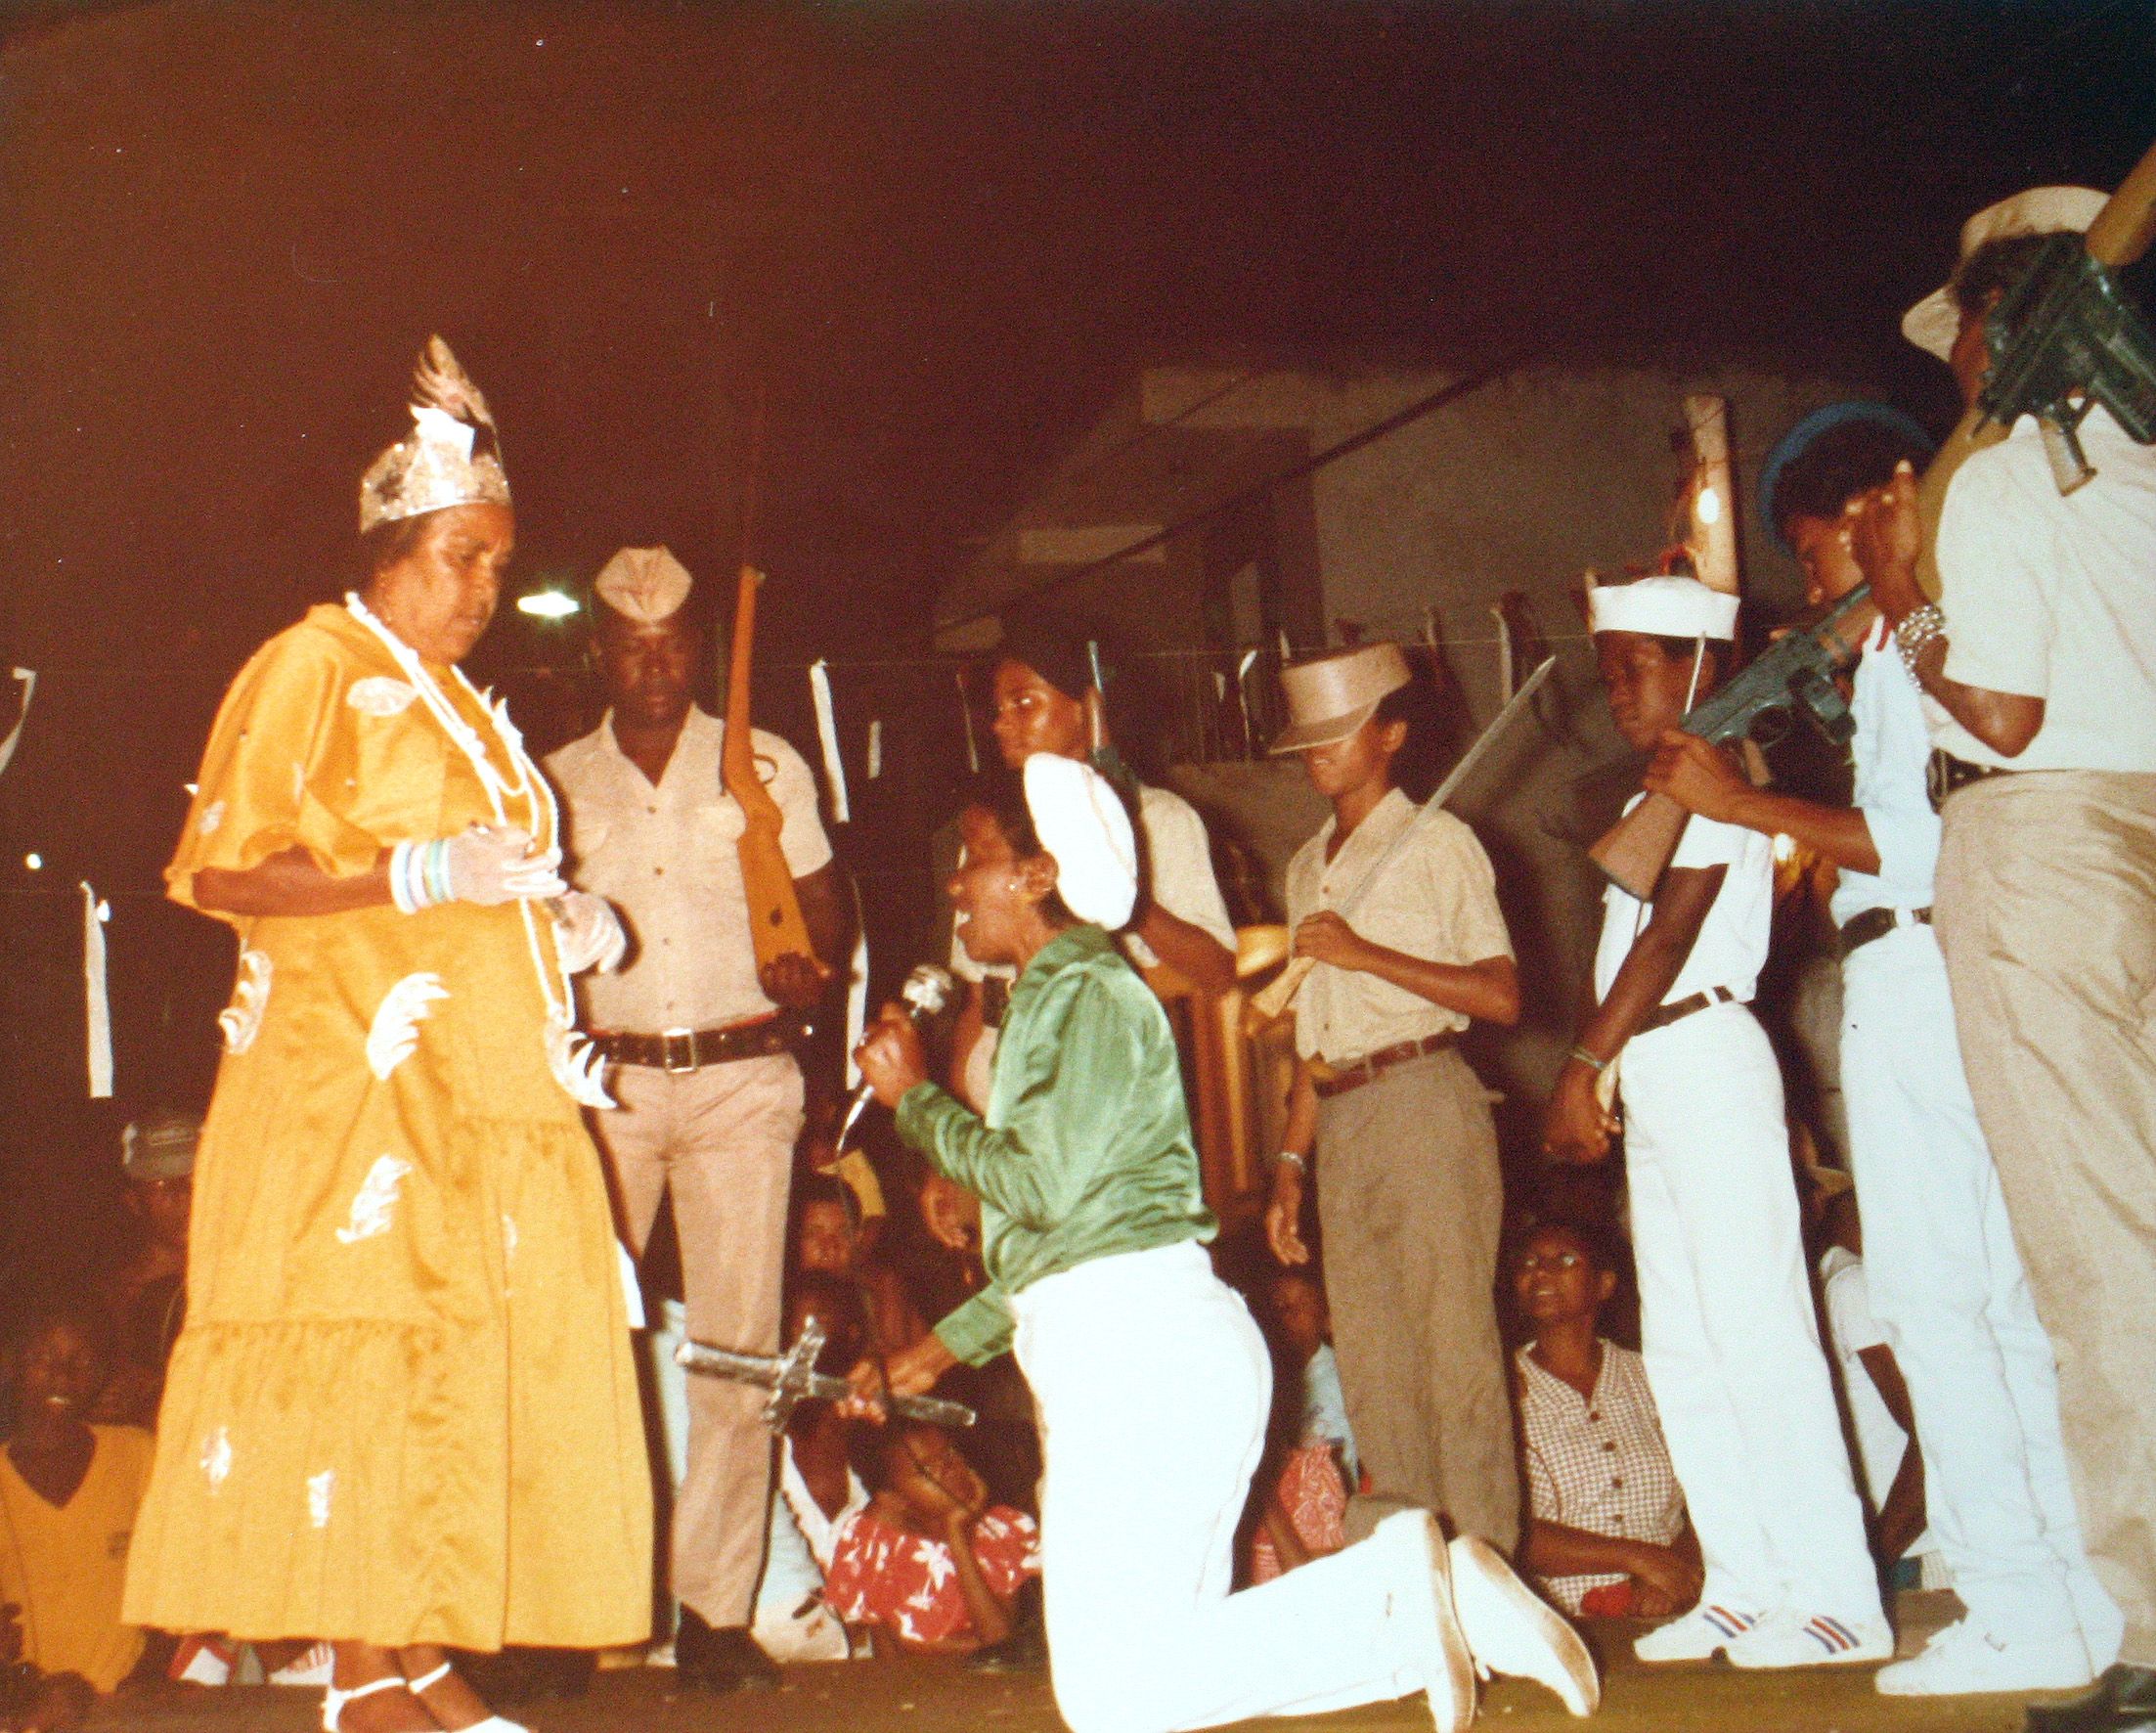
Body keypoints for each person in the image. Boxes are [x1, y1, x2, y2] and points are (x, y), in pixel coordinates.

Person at [121, 338, 653, 1733]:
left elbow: (499, 876)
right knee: (369, 1341)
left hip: (487, 1092)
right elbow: (224, 867)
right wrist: (411, 878)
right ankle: (356, 1675)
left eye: (496, 564)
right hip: (352, 1089)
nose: (483, 591)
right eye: (460, 559)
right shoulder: (311, 665)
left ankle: (413, 1647)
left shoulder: (465, 707)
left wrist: (569, 921)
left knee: (460, 1346)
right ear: (391, 548)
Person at [850, 758, 1596, 1733]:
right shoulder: (1063, 994)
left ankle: (1408, 1594)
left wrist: (918, 1105)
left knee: (1115, 1696)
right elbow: (1073, 1234)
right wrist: (937, 1346)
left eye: (974, 858)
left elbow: (1040, 1191)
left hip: (1136, 1360)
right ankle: (1433, 1599)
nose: (954, 883)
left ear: (1038, 876)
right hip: (1143, 1343)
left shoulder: (1078, 994)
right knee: (1144, 1684)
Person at [1650, 399, 2117, 1695]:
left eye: (1814, 553)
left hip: (1920, 961)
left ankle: (2026, 1598)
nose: (1808, 585)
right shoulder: (1905, 649)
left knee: (1939, 1297)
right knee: (1990, 1297)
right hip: (1928, 963)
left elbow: (1919, 843)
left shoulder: (1919, 647)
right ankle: (2038, 1584)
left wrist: (1739, 802)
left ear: (1876, 520)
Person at [1848, 183, 2156, 1733]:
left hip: (2041, 849)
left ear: (1995, 331)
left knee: (2099, 1260)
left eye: (1963, 328)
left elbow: (2008, 715)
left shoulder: (1992, 489)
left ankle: (2152, 1634)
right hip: (2149, 832)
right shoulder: (2140, 471)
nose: (1954, 358)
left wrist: (1905, 614)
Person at [1544, 573, 1887, 1668]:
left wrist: (1584, 1060)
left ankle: (1837, 1593)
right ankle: (1743, 1583)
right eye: (1608, 674)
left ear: (1703, 669)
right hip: (1658, 1074)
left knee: (1762, 1336)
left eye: (1636, 669)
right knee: (1690, 1348)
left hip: (1704, 1052)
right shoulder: (1663, 791)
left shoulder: (1721, 772)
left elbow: (1669, 938)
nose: (1617, 694)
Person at [545, 546, 853, 1695]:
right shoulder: (552, 778)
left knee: (737, 1348)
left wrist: (807, 960)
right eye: (632, 647)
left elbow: (825, 911)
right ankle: (568, 1615)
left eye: (675, 643)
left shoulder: (762, 761)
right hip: (605, 1085)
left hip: (737, 1078)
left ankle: (716, 1613)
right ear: (599, 654)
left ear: (699, 647)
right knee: (582, 1344)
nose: (656, 665)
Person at [1261, 642, 1522, 1553]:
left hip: (1424, 1099)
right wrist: (1290, 1165)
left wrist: (1364, 953)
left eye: (1339, 733)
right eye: (1307, 740)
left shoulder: (1439, 842)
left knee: (1454, 1348)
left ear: (1394, 735)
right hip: (1341, 1117)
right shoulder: (1305, 866)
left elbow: (1501, 995)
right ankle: (1405, 1565)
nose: (1317, 754)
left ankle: (1486, 1559)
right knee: (1372, 1361)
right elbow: (1310, 1042)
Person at [946, 609, 1238, 1110]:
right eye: (997, 708)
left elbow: (1216, 970)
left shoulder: (1158, 819)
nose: (1000, 724)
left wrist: (1117, 887)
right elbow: (979, 995)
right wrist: (957, 1125)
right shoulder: (993, 829)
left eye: (1024, 703)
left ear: (1088, 709)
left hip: (1099, 1078)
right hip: (1002, 1066)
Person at [1509, 1217, 1696, 1623]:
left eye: (1565, 1260)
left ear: (1605, 1285)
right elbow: (1507, 1529)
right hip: (1555, 1619)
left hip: (1669, 1607)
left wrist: (1672, 1576)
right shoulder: (1499, 1390)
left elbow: (1710, 1498)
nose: (1541, 1271)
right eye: (1528, 1263)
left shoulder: (1653, 1377)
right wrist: (1641, 1558)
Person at [0, 1305, 154, 1728]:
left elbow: (174, 1572)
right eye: (45, 1358)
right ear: (12, 1364)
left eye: (82, 1362)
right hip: (35, 1710)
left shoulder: (134, 1454)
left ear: (105, 1372)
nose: (62, 1375)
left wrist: (155, 1676)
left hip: (130, 1702)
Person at [1248, 1267, 1356, 1583]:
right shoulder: (1277, 1379)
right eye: (1278, 1306)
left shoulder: (1340, 1377)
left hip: (1330, 1512)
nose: (1287, 1315)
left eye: (1299, 1305)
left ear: (1328, 1320)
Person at [92, 1110, 198, 1427]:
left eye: (193, 1178)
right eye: (161, 1184)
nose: (183, 1196)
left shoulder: (243, 1282)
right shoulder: (104, 1301)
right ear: (133, 1201)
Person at [795, 1174, 925, 1357]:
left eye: (843, 1233)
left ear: (859, 1237)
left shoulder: (881, 1290)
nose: (830, 1247)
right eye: (813, 1234)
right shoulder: (777, 1293)